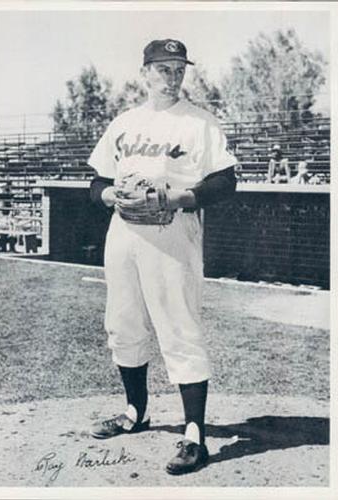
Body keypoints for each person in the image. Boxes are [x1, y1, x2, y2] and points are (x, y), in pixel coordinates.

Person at [88, 38, 237, 475]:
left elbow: (227, 181)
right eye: (163, 68)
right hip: (125, 233)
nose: (172, 77)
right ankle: (135, 412)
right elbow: (96, 181)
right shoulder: (125, 122)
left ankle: (195, 436)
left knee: (179, 327)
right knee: (123, 322)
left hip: (173, 232)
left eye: (178, 69)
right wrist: (111, 193)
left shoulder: (199, 123)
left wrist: (184, 195)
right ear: (145, 73)